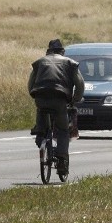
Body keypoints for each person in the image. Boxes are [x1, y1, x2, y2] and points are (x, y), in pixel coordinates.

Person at [28, 39, 85, 174]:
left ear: (48, 51)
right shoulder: (70, 63)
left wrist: (34, 96)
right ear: (62, 52)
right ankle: (61, 161)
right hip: (59, 99)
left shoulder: (39, 62)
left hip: (40, 96)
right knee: (63, 130)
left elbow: (30, 84)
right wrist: (75, 99)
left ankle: (40, 135)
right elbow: (80, 84)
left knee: (41, 111)